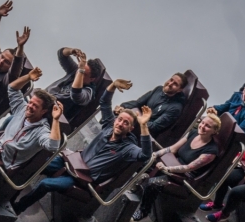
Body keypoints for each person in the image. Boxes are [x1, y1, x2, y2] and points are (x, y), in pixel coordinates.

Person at [12, 78, 152, 214]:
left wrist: (144, 125)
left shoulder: (129, 148)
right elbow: (104, 102)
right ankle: (10, 195)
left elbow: (145, 155)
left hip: (81, 180)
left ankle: (18, 208)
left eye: (125, 123)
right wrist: (113, 86)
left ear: (131, 128)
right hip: (71, 162)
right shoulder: (109, 126)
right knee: (34, 161)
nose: (120, 124)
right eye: (119, 120)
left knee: (45, 184)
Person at [133, 112, 222, 221]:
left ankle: (143, 211)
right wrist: (156, 154)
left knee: (153, 183)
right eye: (203, 123)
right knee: (143, 159)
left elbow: (188, 167)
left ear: (215, 131)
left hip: (184, 178)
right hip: (172, 164)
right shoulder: (193, 133)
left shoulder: (211, 151)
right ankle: (136, 189)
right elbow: (173, 148)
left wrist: (167, 169)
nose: (202, 126)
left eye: (208, 126)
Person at [0, 68, 63, 173]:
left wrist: (56, 119)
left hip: (2, 162)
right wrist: (28, 77)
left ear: (43, 111)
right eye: (30, 102)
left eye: (35, 106)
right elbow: (12, 88)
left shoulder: (41, 131)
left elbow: (53, 146)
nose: (29, 106)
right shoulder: (22, 109)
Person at [118, 72, 188, 137]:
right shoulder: (158, 89)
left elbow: (154, 127)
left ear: (179, 90)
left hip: (142, 133)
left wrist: (134, 119)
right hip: (134, 122)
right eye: (171, 80)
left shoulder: (175, 108)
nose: (170, 84)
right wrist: (122, 106)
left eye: (175, 84)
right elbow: (137, 103)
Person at [47, 48, 106, 118]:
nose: (78, 73)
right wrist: (72, 51)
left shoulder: (88, 92)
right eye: (79, 69)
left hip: (51, 113)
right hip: (44, 97)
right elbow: (61, 55)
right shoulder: (75, 70)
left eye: (84, 73)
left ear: (92, 79)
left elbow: (76, 95)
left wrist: (81, 69)